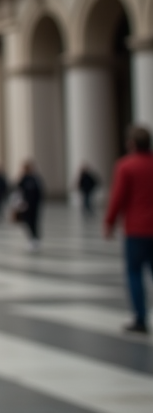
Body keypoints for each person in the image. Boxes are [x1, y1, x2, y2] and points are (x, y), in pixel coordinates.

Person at [105, 126, 153, 335]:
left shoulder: (125, 166)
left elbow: (118, 198)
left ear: (131, 144)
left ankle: (140, 318)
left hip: (135, 229)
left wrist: (109, 222)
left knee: (134, 273)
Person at [16, 161, 44, 249]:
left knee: (34, 221)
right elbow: (19, 187)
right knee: (28, 222)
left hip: (33, 204)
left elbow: (39, 192)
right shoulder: (25, 178)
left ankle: (35, 238)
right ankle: (33, 238)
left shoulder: (34, 178)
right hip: (26, 204)